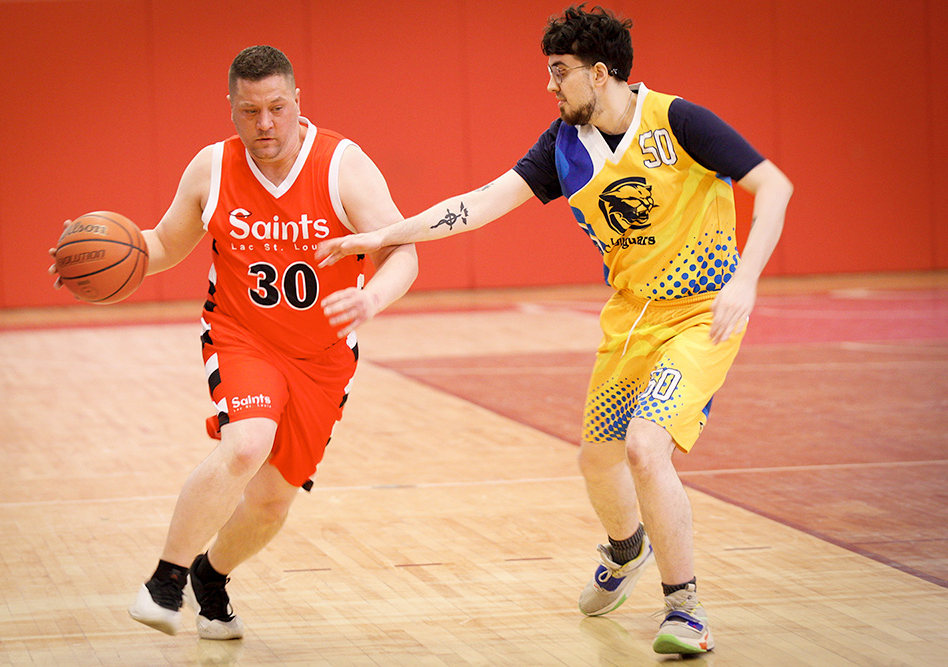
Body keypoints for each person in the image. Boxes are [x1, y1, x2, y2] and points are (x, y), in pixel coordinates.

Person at [317, 4, 792, 655]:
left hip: (700, 314)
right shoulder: (563, 145)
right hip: (629, 319)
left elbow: (774, 186)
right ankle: (626, 549)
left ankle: (685, 609)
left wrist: (747, 279)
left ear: (599, 73)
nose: (549, 85)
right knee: (597, 460)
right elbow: (480, 204)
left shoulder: (678, 120)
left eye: (559, 71)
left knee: (645, 448)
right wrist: (384, 235)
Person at [50, 45, 418, 640]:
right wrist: (88, 254)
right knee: (246, 446)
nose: (265, 123)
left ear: (297, 100)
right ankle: (164, 582)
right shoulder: (212, 168)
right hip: (242, 335)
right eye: (250, 111)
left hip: (323, 357)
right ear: (231, 108)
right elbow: (165, 243)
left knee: (272, 503)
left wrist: (372, 298)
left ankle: (210, 575)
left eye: (277, 107)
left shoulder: (342, 166)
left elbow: (401, 251)